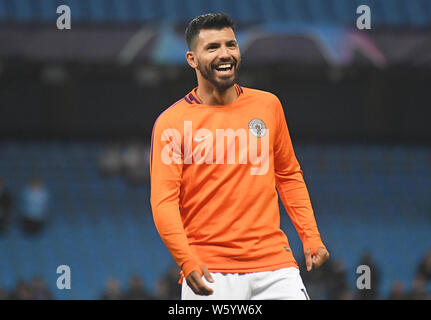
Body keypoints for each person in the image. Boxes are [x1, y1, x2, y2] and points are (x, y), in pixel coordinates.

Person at [150, 13, 329, 300]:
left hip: (275, 265)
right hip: (210, 270)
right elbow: (163, 202)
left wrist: (310, 236)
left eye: (230, 45)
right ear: (192, 59)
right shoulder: (171, 123)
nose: (225, 54)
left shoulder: (268, 105)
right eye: (212, 47)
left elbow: (288, 176)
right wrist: (186, 259)